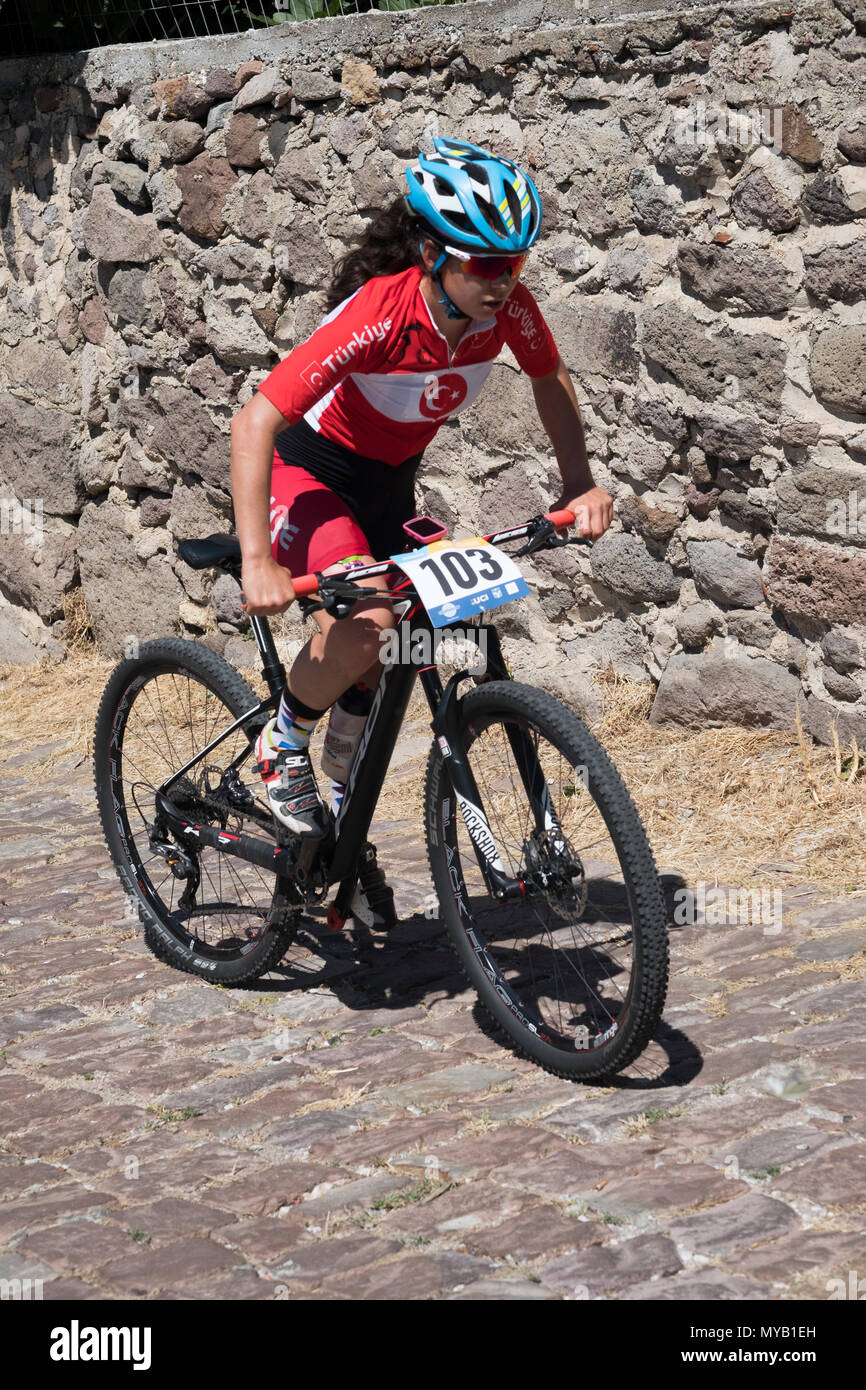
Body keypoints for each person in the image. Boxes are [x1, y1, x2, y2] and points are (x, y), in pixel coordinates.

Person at [229, 136, 613, 922]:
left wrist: (580, 483)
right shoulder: (381, 314)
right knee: (372, 617)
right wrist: (258, 560)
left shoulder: (505, 310)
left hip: (387, 486)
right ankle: (280, 742)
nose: (502, 282)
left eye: (516, 264)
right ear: (436, 254)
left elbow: (550, 380)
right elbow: (255, 420)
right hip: (311, 475)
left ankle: (333, 814)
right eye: (482, 265)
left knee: (406, 631)